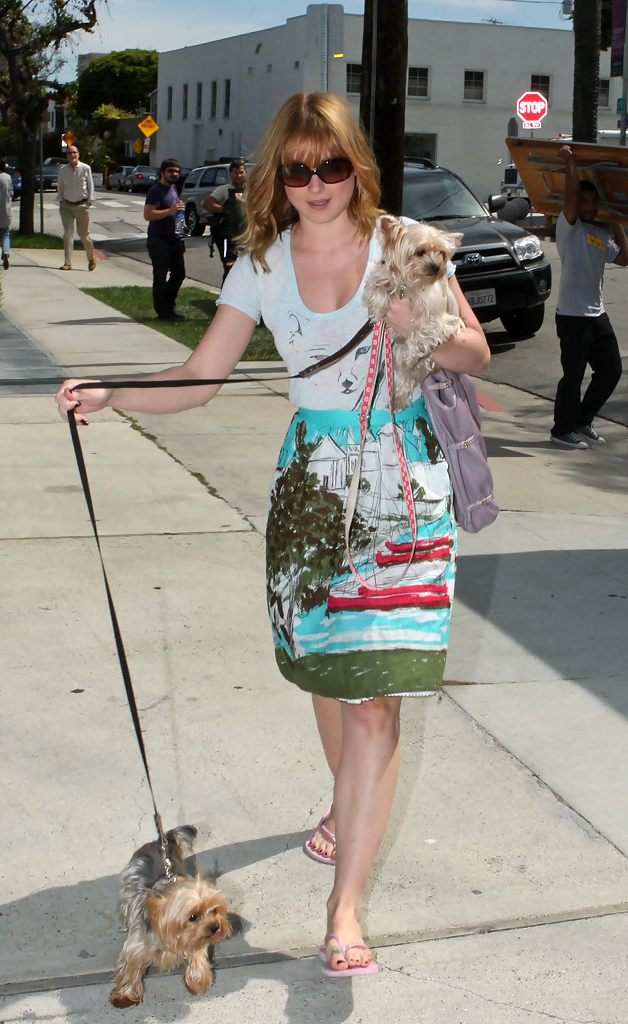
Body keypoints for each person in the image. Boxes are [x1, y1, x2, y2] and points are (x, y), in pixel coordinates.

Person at [56, 92, 489, 975]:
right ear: (275, 178)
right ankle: (344, 804)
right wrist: (112, 391)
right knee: (330, 679)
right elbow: (200, 375)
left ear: (355, 166)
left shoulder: (401, 243)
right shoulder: (261, 264)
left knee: (375, 701)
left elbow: (474, 351)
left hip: (402, 489)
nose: (316, 184)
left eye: (331, 165)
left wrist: (415, 324)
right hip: (311, 493)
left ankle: (345, 909)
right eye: (297, 170)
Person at [550, 144, 628, 449]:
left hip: (597, 315)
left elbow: (624, 258)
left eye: (594, 201)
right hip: (572, 317)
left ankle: (582, 420)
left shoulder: (600, 234)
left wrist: (615, 216)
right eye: (585, 201)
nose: (589, 206)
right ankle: (561, 430)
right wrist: (570, 163)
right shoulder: (568, 228)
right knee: (573, 376)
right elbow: (571, 196)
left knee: (612, 370)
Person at [144, 158, 186, 322]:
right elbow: (148, 214)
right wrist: (169, 211)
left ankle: (168, 305)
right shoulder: (155, 191)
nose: (174, 174)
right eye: (170, 171)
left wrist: (182, 227)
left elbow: (176, 212)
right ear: (162, 173)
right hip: (158, 239)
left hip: (174, 239)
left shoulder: (173, 189)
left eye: (176, 171)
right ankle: (163, 312)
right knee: (160, 276)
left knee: (179, 274)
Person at [202, 158, 248, 283]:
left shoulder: (251, 190)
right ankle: (226, 293)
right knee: (230, 268)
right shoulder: (224, 189)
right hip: (227, 237)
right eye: (235, 173)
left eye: (241, 172)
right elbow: (207, 204)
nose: (239, 175)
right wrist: (225, 209)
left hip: (246, 236)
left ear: (246, 172)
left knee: (246, 270)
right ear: (230, 174)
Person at [56, 145, 96, 272]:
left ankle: (91, 258)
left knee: (83, 234)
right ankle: (68, 263)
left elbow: (90, 185)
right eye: (69, 153)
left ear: (78, 154)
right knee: (67, 234)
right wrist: (61, 200)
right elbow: (60, 186)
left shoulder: (85, 168)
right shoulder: (63, 170)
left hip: (82, 206)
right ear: (67, 156)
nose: (72, 155)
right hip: (66, 206)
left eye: (74, 152)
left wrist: (89, 201)